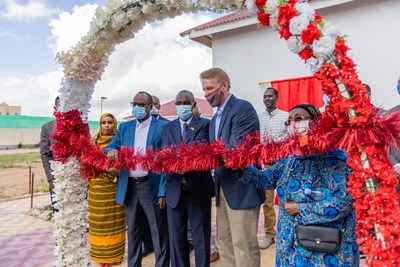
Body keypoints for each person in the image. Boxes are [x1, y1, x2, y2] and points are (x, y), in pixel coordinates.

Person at [240, 104, 359, 266]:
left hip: (324, 249)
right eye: (289, 121)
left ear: (317, 122)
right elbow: (266, 179)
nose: (293, 124)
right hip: (289, 246)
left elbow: (344, 202)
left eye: (299, 119)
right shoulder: (291, 157)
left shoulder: (335, 158)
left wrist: (300, 209)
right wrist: (239, 166)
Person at [200, 67, 265, 267]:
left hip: (241, 187)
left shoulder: (242, 109)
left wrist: (199, 158)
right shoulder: (214, 119)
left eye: (210, 88)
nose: (206, 94)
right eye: (204, 89)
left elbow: (234, 150)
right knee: (225, 244)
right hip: (222, 188)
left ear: (225, 86)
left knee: (243, 245)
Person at [105, 91, 169, 267]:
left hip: (151, 186)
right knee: (133, 232)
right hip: (130, 188)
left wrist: (163, 190)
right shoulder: (125, 127)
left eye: (141, 105)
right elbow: (111, 145)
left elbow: (165, 162)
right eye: (134, 104)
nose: (137, 108)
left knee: (158, 230)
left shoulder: (162, 127)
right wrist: (111, 150)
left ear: (150, 106)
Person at [162, 90, 214, 267]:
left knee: (201, 239)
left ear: (193, 105)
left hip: (198, 189)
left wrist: (174, 154)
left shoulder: (205, 124)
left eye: (186, 102)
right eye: (179, 103)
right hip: (174, 190)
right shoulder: (167, 128)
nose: (182, 106)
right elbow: (164, 156)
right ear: (176, 105)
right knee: (176, 240)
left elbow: (200, 150)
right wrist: (177, 155)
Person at [88, 113, 126, 267]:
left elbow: (124, 164)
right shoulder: (94, 140)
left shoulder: (118, 141)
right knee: (98, 222)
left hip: (113, 188)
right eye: (103, 122)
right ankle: (100, 255)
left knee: (114, 223)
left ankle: (115, 255)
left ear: (114, 124)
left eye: (110, 122)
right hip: (96, 188)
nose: (107, 125)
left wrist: (114, 171)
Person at [258, 87, 288, 249]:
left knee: (286, 200)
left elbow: (292, 138)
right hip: (267, 165)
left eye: (270, 96)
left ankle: (285, 233)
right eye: (265, 96)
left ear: (276, 97)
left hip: (283, 165)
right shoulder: (259, 118)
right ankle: (270, 235)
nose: (267, 99)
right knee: (267, 202)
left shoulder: (285, 116)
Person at [40, 96, 60, 213]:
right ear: (55, 108)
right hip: (57, 178)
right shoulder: (47, 128)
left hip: (77, 180)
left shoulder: (81, 126)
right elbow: (45, 154)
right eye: (61, 105)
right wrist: (51, 178)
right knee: (59, 216)